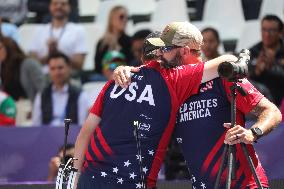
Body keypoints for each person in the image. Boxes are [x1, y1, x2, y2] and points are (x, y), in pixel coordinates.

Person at [73, 22, 238, 189]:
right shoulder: (174, 79)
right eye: (161, 48)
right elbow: (230, 59)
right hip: (133, 184)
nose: (162, 51)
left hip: (90, 179)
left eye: (165, 48)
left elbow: (84, 135)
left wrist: (74, 181)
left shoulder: (114, 83)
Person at [114, 30, 282, 189]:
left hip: (244, 184)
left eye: (165, 49)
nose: (159, 55)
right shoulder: (168, 89)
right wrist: (125, 70)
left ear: (184, 51)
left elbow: (272, 112)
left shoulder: (223, 77)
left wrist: (252, 133)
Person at [32, 52, 89, 127]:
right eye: (52, 69)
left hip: (71, 136)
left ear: (69, 68)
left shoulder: (80, 95)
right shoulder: (41, 95)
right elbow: (36, 126)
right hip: (47, 137)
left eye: (60, 68)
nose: (56, 72)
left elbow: (83, 125)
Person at [28, 0, 87, 71]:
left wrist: (58, 53)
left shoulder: (78, 30)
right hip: (42, 76)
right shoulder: (39, 31)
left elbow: (79, 65)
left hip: (69, 77)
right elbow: (32, 64)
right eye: (55, 4)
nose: (59, 6)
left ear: (69, 7)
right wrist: (50, 55)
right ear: (50, 6)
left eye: (63, 4)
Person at [249, 14, 284, 106]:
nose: (267, 34)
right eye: (264, 30)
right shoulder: (253, 51)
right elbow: (246, 80)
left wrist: (275, 65)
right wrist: (257, 71)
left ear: (280, 32)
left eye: (271, 30)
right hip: (261, 103)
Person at [0, 36, 44, 102]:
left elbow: (42, 89)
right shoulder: (3, 67)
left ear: (9, 48)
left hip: (31, 106)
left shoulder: (29, 64)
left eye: (0, 48)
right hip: (11, 107)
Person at [94, 5, 133, 74]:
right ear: (112, 19)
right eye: (121, 17)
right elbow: (98, 67)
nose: (125, 20)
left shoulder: (130, 41)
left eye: (127, 18)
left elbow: (132, 63)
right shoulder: (102, 43)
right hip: (104, 78)